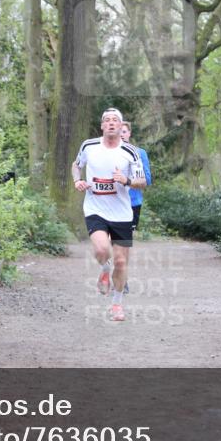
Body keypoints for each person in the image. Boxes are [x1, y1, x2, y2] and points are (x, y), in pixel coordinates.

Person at [72, 108, 146, 321]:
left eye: (115, 120)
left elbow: (142, 182)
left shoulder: (131, 152)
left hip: (122, 213)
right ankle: (105, 269)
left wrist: (127, 180)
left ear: (121, 126)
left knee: (121, 262)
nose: (111, 123)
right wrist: (78, 180)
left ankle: (116, 305)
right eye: (107, 120)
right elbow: (76, 166)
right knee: (102, 248)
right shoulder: (89, 146)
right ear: (102, 126)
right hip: (95, 208)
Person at [119, 121, 151, 294]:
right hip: (111, 202)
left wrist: (130, 179)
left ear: (129, 133)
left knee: (124, 243)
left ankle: (122, 279)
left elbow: (147, 180)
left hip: (132, 203)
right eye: (119, 131)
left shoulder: (140, 153)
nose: (122, 134)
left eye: (124, 131)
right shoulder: (107, 153)